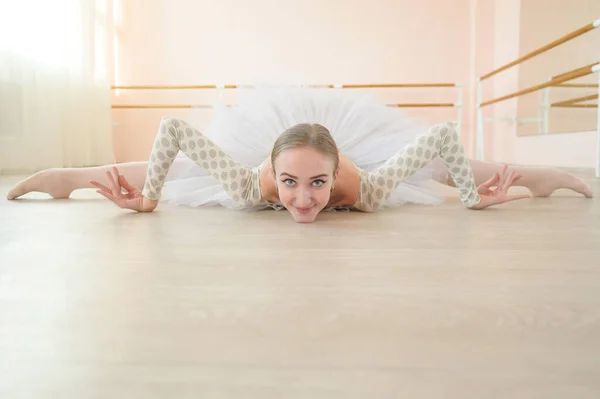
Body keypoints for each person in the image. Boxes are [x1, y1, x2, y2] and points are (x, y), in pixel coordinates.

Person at [6, 87, 593, 223]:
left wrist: (471, 196)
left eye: (316, 185)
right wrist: (149, 201)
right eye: (291, 184)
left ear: (336, 177)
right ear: (273, 174)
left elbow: (441, 136)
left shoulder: (363, 189)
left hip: (345, 157)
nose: (303, 200)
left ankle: (539, 176)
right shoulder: (250, 183)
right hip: (262, 154)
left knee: (434, 170)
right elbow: (172, 129)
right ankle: (67, 177)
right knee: (186, 171)